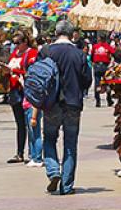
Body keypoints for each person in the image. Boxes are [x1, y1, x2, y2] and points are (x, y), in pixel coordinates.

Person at [39, 21, 92, 195]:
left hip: (51, 104)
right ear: (72, 34)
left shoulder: (46, 51)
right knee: (70, 145)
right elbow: (87, 80)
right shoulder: (79, 54)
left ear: (56, 32)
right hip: (73, 104)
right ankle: (67, 186)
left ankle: (53, 171)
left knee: (49, 139)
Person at [5, 33, 39, 164]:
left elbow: (32, 72)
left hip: (26, 90)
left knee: (30, 122)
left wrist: (16, 71)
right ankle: (19, 153)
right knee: (20, 123)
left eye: (18, 42)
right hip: (14, 91)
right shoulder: (15, 53)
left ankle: (33, 154)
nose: (16, 45)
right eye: (14, 43)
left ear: (25, 41)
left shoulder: (32, 53)